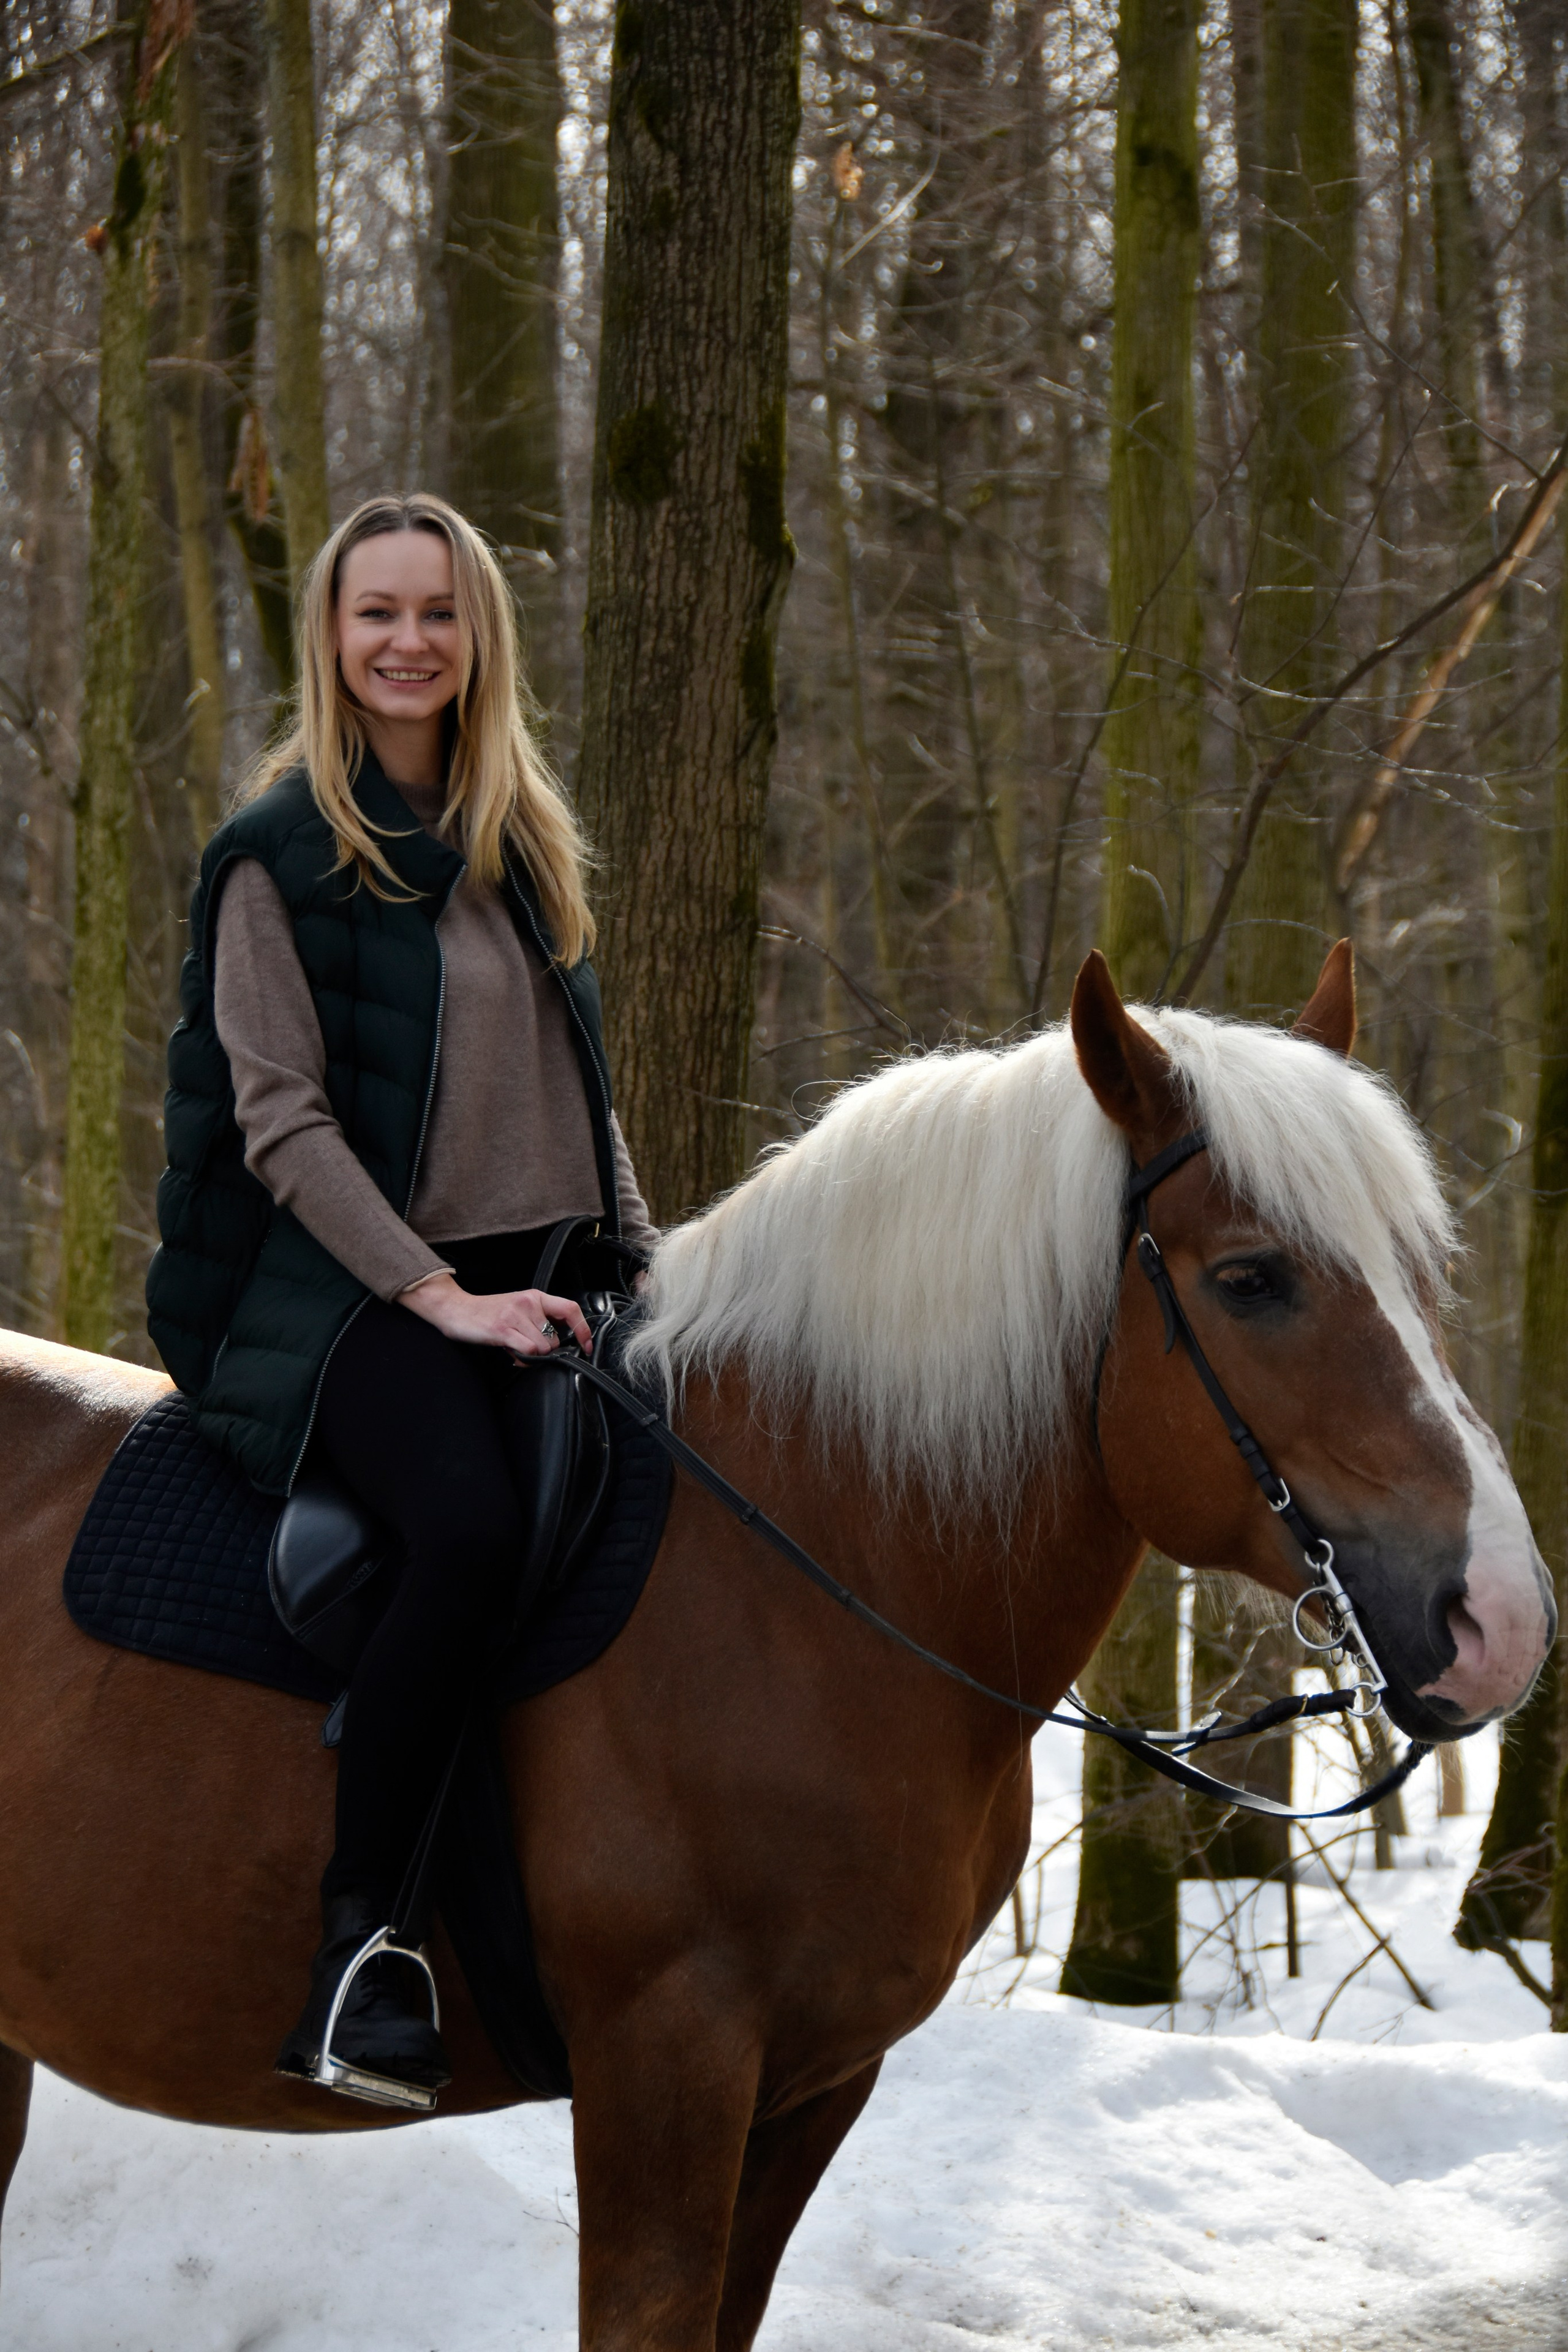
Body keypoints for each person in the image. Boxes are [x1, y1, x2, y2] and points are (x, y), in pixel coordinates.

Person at [146, 492, 658, 2101]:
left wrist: (652, 1266)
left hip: (541, 1282)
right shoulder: (277, 858)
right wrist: (435, 1296)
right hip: (335, 1299)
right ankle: (363, 1951)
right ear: (331, 637)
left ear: (479, 636)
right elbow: (279, 1118)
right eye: (377, 612)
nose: (408, 641)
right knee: (471, 1531)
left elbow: (587, 1101)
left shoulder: (524, 848)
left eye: (438, 611)